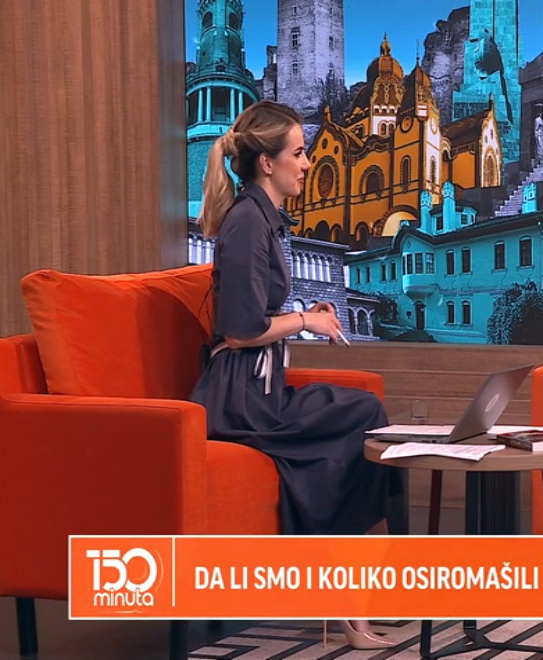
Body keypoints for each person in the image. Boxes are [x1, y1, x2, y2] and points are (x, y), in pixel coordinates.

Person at [191, 100, 401, 650]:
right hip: (239, 400)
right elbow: (241, 330)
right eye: (300, 153)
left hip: (260, 390)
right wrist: (307, 319)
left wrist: (307, 316)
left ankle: (353, 594)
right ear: (268, 163)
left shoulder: (262, 219)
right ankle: (347, 599)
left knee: (363, 414)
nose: (308, 164)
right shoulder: (246, 223)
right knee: (359, 418)